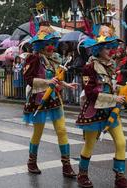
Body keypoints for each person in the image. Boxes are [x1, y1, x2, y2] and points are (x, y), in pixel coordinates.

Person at [76, 36, 127, 188]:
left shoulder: (111, 65)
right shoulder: (89, 68)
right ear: (98, 49)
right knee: (89, 144)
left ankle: (119, 178)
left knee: (121, 142)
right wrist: (115, 98)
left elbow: (112, 87)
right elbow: (90, 92)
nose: (112, 51)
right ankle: (82, 174)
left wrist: (124, 90)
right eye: (108, 48)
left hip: (110, 111)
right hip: (94, 112)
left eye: (112, 47)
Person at [23, 22, 77, 177]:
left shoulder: (54, 59)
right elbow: (29, 80)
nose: (51, 47)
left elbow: (56, 79)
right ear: (40, 45)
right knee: (38, 133)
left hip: (54, 99)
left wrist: (66, 84)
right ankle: (31, 162)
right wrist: (47, 82)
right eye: (47, 44)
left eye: (52, 44)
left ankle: (66, 166)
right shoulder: (33, 59)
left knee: (62, 131)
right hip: (39, 99)